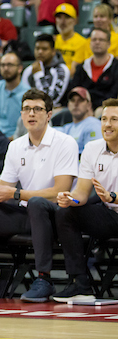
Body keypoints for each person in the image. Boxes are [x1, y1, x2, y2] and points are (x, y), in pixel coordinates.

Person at [0, 89, 78, 302]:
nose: (31, 114)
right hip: (23, 215)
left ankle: (44, 279)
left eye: (38, 109)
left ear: (49, 114)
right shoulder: (16, 145)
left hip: (54, 217)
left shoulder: (65, 142)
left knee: (38, 203)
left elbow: (60, 191)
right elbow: (3, 190)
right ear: (21, 114)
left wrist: (17, 193)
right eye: (27, 109)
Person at [53, 98, 118, 303]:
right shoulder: (92, 148)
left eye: (114, 119)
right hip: (109, 214)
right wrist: (69, 199)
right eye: (104, 119)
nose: (107, 124)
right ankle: (80, 284)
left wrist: (113, 197)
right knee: (65, 212)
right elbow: (82, 192)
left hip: (112, 205)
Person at [71, 28, 118, 116]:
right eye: (94, 40)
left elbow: (114, 95)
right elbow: (74, 92)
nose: (97, 42)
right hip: (83, 110)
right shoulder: (81, 67)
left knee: (100, 113)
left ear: (109, 44)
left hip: (107, 109)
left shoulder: (116, 67)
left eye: (101, 40)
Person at [0, 52, 30, 137]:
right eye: (2, 65)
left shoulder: (27, 94)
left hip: (15, 139)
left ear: (20, 68)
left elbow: (28, 126)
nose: (5, 68)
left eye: (10, 65)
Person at [21, 34, 70, 108]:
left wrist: (39, 75)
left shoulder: (62, 69)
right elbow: (24, 96)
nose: (40, 52)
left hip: (53, 113)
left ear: (53, 51)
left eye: (44, 49)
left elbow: (52, 100)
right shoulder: (29, 70)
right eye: (37, 48)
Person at [55, 87, 102, 154]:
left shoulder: (94, 125)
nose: (76, 104)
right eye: (72, 100)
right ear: (68, 105)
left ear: (89, 105)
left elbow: (94, 157)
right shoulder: (67, 128)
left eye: (80, 100)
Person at [54, 3, 87, 69]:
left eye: (67, 17)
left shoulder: (82, 42)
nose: (62, 22)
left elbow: (74, 71)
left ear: (74, 21)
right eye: (59, 17)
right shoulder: (53, 40)